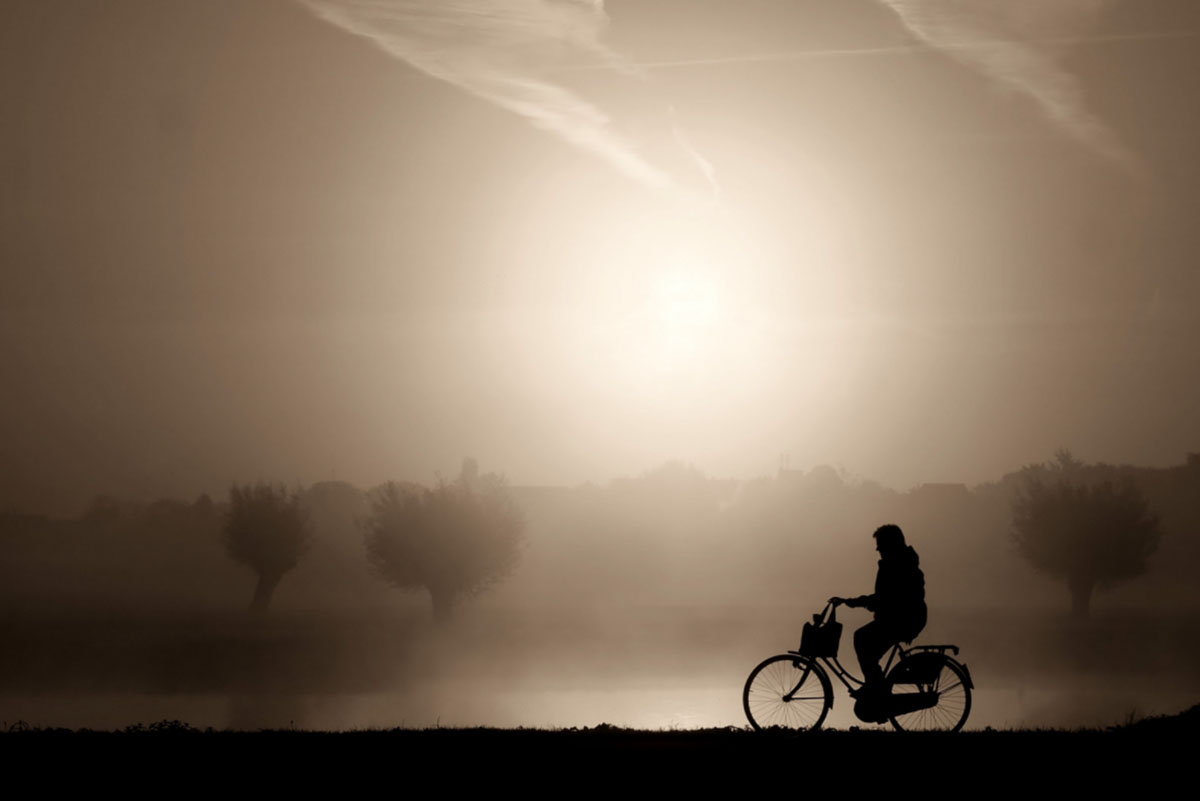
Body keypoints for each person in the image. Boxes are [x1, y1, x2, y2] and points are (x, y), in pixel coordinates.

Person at [830, 524, 927, 697]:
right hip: (903, 617)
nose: (878, 550)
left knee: (861, 638)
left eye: (881, 546)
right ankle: (877, 687)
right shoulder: (901, 562)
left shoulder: (898, 566)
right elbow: (882, 598)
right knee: (867, 646)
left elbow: (885, 598)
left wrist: (851, 602)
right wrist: (854, 602)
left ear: (891, 545)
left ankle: (876, 689)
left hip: (903, 619)